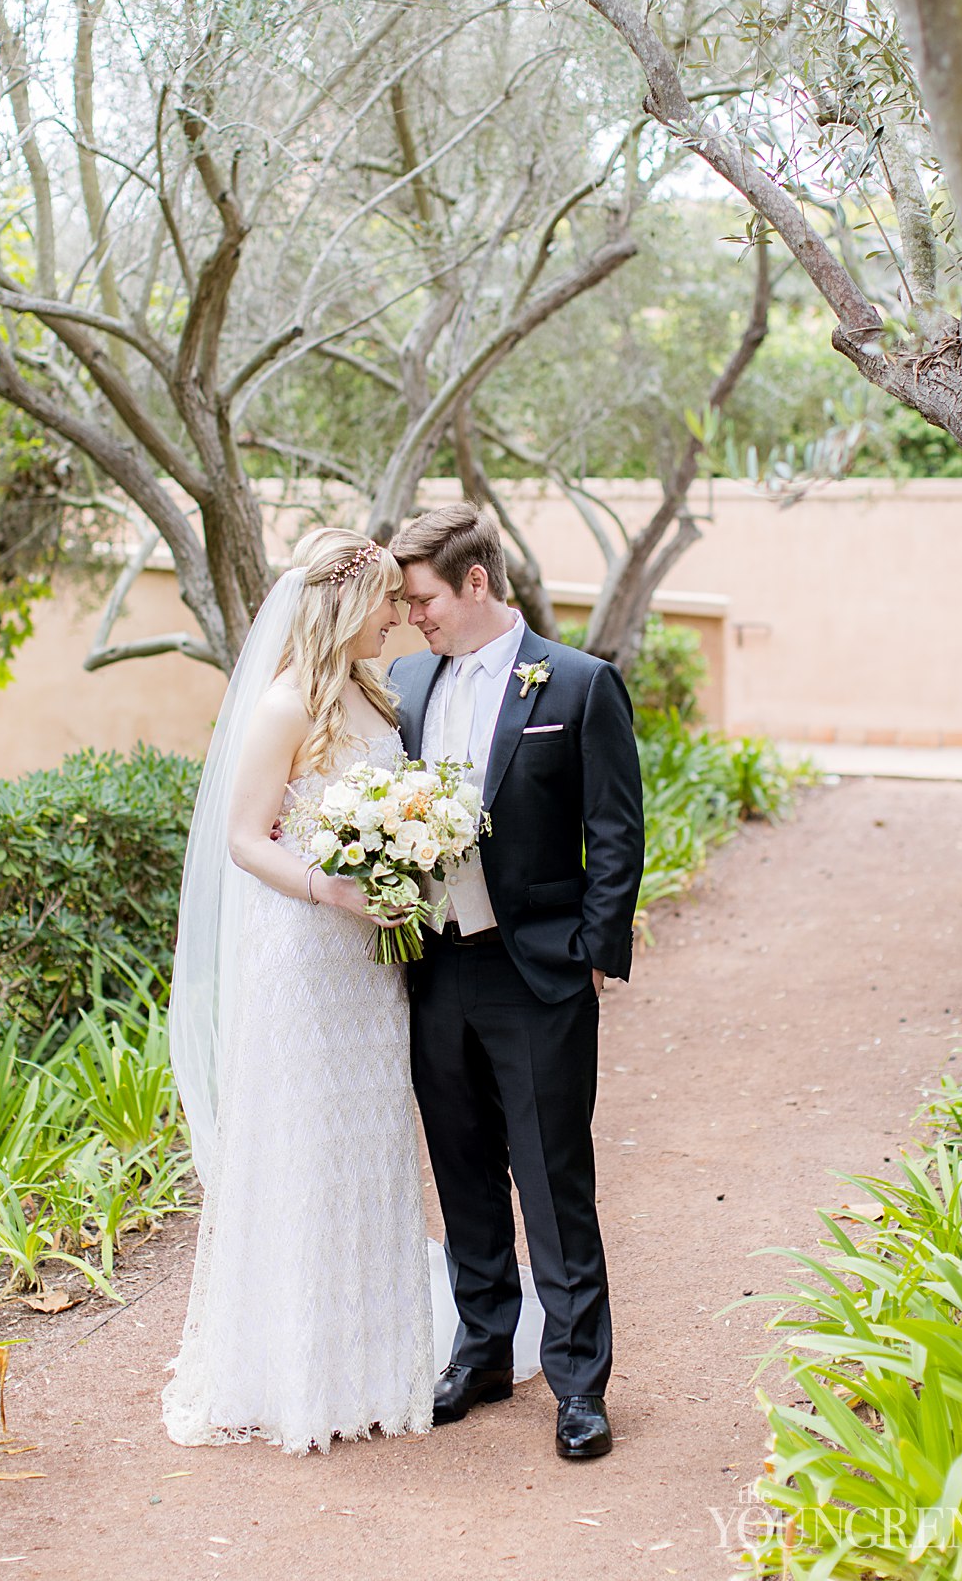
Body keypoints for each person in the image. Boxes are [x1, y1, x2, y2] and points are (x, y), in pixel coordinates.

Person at [162, 527, 434, 1454]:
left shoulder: (375, 699)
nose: (401, 616)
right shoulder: (283, 703)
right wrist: (334, 888)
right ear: (347, 604)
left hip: (370, 964)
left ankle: (371, 1358)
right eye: (391, 601)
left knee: (369, 1142)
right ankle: (294, 1371)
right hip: (306, 956)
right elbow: (246, 837)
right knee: (307, 1145)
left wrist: (405, 870)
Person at [388, 503, 645, 1462]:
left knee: (553, 1179)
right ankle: (485, 1347)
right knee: (460, 1170)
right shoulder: (409, 684)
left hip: (534, 971)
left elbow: (616, 830)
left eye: (424, 599)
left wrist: (586, 948)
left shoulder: (576, 684)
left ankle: (580, 1384)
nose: (414, 617)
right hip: (434, 968)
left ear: (478, 583)